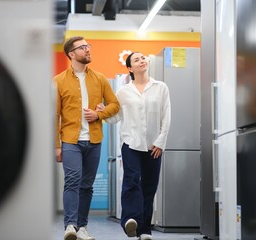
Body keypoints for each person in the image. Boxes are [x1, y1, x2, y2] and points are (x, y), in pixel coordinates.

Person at [97, 52, 171, 240]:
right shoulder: (123, 92)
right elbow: (116, 117)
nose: (142, 61)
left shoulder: (160, 87)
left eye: (143, 58)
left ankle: (144, 230)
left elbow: (166, 116)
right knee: (132, 179)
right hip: (131, 144)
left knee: (149, 186)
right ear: (130, 68)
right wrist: (103, 112)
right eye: (136, 59)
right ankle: (131, 219)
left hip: (154, 145)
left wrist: (161, 141)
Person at [54, 36, 120, 240]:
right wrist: (56, 146)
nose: (88, 49)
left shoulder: (99, 78)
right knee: (72, 181)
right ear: (71, 54)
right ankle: (70, 226)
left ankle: (82, 227)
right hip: (70, 140)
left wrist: (98, 114)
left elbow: (114, 105)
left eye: (88, 46)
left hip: (94, 140)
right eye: (83, 47)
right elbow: (54, 115)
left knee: (87, 185)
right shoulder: (58, 81)